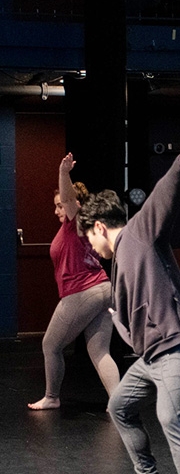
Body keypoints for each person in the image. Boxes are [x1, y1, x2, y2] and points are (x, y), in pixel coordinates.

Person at [77, 129, 180, 474]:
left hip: (178, 346)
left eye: (89, 238)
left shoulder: (139, 232)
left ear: (100, 226)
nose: (90, 246)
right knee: (119, 407)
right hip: (151, 357)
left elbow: (164, 197)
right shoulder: (118, 264)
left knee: (171, 417)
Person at [28, 153, 120, 410]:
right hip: (103, 289)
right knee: (100, 352)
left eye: (59, 205)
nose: (57, 209)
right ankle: (119, 402)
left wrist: (64, 172)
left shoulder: (76, 219)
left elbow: (69, 198)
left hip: (83, 291)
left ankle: (52, 396)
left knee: (50, 345)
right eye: (56, 205)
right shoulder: (79, 225)